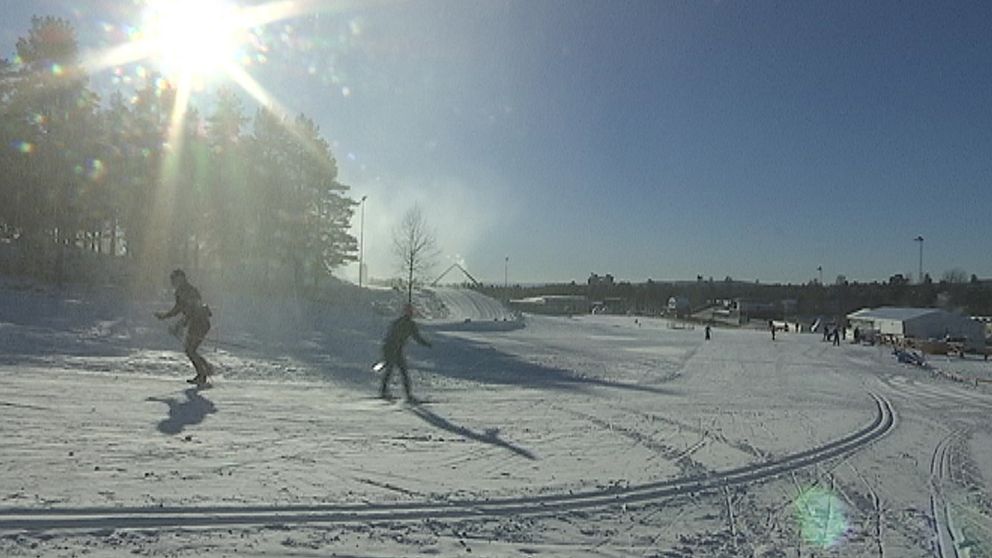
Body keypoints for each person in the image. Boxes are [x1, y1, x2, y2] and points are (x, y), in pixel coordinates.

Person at [155, 269, 213, 385]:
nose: (173, 282)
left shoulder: (189, 291)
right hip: (195, 323)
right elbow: (178, 309)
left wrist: (179, 325)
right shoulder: (180, 292)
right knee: (190, 350)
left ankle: (203, 374)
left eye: (174, 279)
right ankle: (205, 369)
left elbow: (192, 310)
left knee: (190, 350)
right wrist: (165, 316)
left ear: (181, 278)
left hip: (200, 323)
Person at [380, 304, 432, 400]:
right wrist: (426, 343)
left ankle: (401, 393)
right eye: (410, 312)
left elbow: (417, 337)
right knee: (394, 371)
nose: (411, 314)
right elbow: (392, 337)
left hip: (395, 349)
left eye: (411, 312)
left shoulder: (405, 323)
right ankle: (401, 394)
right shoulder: (404, 323)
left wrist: (426, 343)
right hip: (392, 349)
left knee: (398, 371)